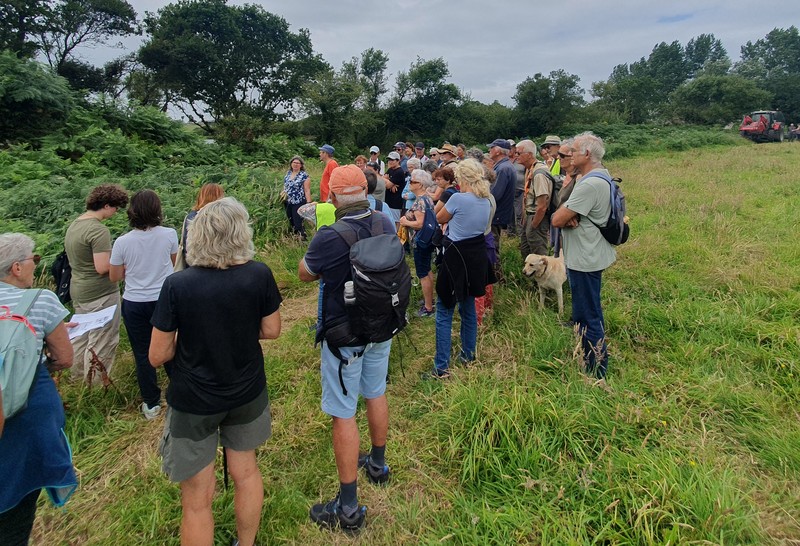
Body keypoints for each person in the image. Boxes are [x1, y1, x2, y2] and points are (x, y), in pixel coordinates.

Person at [149, 197, 282, 546]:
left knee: (196, 499)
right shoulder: (259, 274)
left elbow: (156, 354)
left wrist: (197, 335)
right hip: (246, 390)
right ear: (242, 233)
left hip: (194, 398)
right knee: (246, 471)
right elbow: (271, 329)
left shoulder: (178, 285)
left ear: (197, 236)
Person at [299, 165, 396, 532]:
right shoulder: (384, 222)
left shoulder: (329, 235)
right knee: (376, 391)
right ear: (365, 191)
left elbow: (305, 273)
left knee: (343, 411)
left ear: (335, 196)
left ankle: (349, 507)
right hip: (382, 326)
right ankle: (378, 464)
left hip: (345, 333)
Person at [0, 233, 77, 546]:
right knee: (15, 518)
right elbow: (65, 359)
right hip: (24, 422)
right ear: (17, 268)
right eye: (33, 259)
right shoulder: (41, 300)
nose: (35, 265)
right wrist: (39, 351)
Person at [551, 132, 616, 384]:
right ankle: (589, 357)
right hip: (589, 252)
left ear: (586, 154)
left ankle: (596, 369)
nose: (569, 154)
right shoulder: (602, 175)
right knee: (587, 309)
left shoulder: (589, 184)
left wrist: (565, 216)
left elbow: (557, 219)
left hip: (585, 256)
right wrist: (568, 215)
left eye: (574, 151)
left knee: (588, 313)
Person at [109, 190, 178, 420]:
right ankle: (179, 391)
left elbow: (115, 275)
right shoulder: (169, 234)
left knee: (142, 352)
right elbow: (174, 263)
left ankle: (151, 403)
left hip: (135, 301)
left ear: (132, 212)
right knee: (172, 345)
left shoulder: (122, 242)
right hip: (164, 298)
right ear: (157, 210)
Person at [432, 158, 493, 378]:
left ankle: (441, 367)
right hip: (475, 256)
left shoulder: (458, 198)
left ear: (462, 179)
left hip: (455, 257)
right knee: (468, 309)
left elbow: (440, 217)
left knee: (445, 311)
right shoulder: (486, 200)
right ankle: (468, 356)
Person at [65, 183, 128, 383]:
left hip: (79, 289)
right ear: (107, 205)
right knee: (102, 339)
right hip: (100, 293)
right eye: (116, 207)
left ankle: (77, 380)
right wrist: (125, 265)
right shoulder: (98, 231)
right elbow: (102, 267)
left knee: (81, 337)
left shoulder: (76, 225)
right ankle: (97, 385)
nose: (116, 212)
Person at [400, 169, 436, 317]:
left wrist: (405, 221)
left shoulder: (421, 201)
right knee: (427, 270)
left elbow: (420, 223)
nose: (410, 183)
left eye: (413, 181)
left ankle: (428, 308)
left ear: (420, 185)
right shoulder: (427, 198)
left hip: (420, 241)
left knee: (422, 273)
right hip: (427, 240)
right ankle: (430, 300)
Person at [516, 139, 554, 257]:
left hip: (537, 217)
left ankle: (543, 275)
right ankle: (529, 274)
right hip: (530, 215)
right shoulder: (530, 169)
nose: (516, 156)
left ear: (529, 155)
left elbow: (542, 205)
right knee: (526, 248)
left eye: (519, 153)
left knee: (538, 252)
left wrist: (534, 225)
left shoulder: (539, 173)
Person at [487, 138, 516, 279]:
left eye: (491, 148)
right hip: (499, 213)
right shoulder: (505, 166)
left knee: (493, 247)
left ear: (498, 150)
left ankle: (497, 279)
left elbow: (495, 194)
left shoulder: (503, 168)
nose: (489, 151)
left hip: (496, 214)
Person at [181, 183, 224, 262]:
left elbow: (186, 245)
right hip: (219, 264)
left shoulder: (191, 217)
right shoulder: (223, 218)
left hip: (194, 264)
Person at [283, 155, 312, 240]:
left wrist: (309, 203)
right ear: (291, 164)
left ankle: (303, 239)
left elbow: (307, 190)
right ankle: (295, 238)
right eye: (294, 162)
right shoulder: (288, 174)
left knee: (298, 222)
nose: (295, 164)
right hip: (288, 201)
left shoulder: (304, 176)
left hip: (298, 202)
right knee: (291, 221)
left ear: (301, 165)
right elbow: (285, 186)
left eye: (298, 163)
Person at [383, 151, 406, 229]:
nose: (390, 162)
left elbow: (387, 185)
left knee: (396, 221)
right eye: (389, 160)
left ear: (398, 160)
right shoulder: (390, 170)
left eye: (392, 160)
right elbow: (383, 179)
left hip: (396, 202)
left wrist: (389, 181)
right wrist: (389, 181)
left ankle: (397, 237)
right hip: (389, 200)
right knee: (389, 220)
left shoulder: (399, 172)